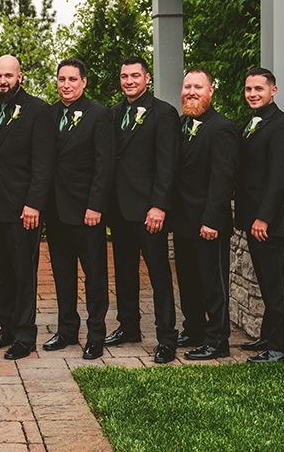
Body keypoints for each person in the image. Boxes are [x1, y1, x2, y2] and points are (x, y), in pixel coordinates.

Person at [0, 55, 55, 361]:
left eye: (8, 75)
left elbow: (43, 163)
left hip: (23, 208)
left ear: (20, 77)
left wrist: (34, 203)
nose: (2, 81)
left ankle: (24, 334)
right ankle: (5, 326)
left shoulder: (38, 110)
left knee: (23, 272)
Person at [105, 56, 181, 364]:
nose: (129, 81)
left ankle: (166, 337)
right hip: (120, 210)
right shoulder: (113, 114)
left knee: (159, 275)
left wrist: (159, 206)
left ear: (147, 78)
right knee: (124, 273)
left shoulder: (163, 113)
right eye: (124, 76)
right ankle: (129, 326)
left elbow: (167, 165)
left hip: (150, 211)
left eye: (135, 76)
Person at [43, 59, 113, 360]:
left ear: (84, 82)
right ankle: (67, 330)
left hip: (87, 211)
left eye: (72, 79)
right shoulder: (50, 114)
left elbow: (105, 165)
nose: (66, 84)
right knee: (62, 273)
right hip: (56, 211)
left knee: (95, 275)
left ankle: (96, 334)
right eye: (61, 79)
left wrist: (95, 205)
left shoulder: (100, 115)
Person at [170, 70, 239, 361]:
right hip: (183, 221)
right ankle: (194, 328)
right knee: (188, 281)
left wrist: (211, 220)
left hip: (208, 223)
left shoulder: (221, 127)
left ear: (211, 91)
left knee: (213, 284)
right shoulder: (182, 124)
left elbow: (223, 180)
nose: (191, 92)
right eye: (187, 86)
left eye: (198, 87)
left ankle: (217, 340)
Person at [236, 67, 284, 363]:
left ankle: (283, 348)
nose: (252, 94)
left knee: (278, 286)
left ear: (273, 91)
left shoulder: (283, 126)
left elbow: (279, 177)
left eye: (258, 89)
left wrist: (263, 217)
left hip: (271, 221)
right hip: (254, 219)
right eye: (249, 89)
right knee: (265, 282)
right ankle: (269, 336)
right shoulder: (252, 123)